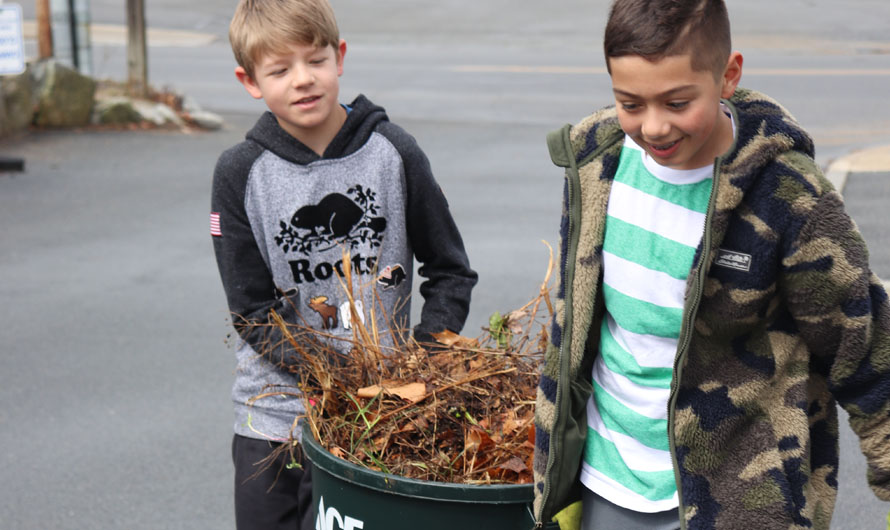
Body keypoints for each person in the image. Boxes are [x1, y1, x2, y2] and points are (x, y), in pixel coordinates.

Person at [532, 0, 890, 529]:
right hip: (605, 482)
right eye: (629, 103)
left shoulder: (788, 197)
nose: (653, 127)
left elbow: (863, 346)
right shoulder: (596, 165)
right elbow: (576, 322)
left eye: (677, 102)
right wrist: (553, 471)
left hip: (740, 501)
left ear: (728, 75)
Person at [210, 1, 477, 528]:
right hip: (273, 424)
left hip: (377, 421)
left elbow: (450, 270)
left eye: (316, 60)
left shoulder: (393, 152)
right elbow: (251, 312)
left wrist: (417, 363)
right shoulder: (239, 173)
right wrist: (340, 374)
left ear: (341, 57)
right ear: (250, 81)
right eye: (280, 69)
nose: (303, 80)